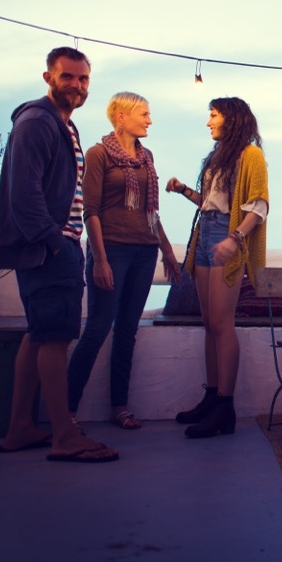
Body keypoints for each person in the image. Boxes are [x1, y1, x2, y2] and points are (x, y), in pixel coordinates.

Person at [0, 46, 118, 463]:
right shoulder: (36, 123)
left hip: (53, 244)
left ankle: (20, 429)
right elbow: (24, 194)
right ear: (48, 77)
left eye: (83, 79)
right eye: (68, 77)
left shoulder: (65, 126)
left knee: (39, 334)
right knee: (57, 337)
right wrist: (54, 243)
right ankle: (63, 435)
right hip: (50, 247)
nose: (77, 86)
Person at [67, 92, 182, 430]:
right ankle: (67, 413)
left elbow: (151, 211)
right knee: (98, 328)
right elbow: (91, 211)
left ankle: (120, 406)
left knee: (128, 331)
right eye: (144, 114)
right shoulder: (98, 154)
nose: (149, 120)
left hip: (144, 252)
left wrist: (167, 251)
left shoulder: (146, 157)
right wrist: (99, 259)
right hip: (112, 250)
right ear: (120, 116)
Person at [165, 97, 268, 439]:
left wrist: (235, 239)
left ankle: (226, 406)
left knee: (223, 324)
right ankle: (211, 398)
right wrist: (183, 191)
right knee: (209, 323)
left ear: (232, 118)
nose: (208, 122)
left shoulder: (250, 154)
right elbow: (211, 202)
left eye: (213, 115)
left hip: (228, 233)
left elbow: (258, 206)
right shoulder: (217, 155)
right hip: (207, 230)